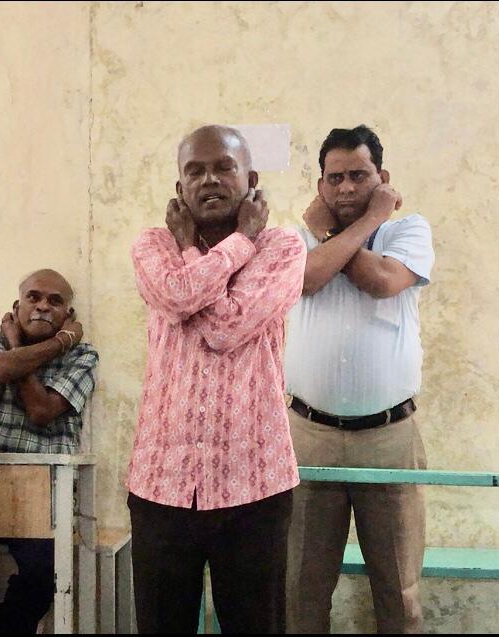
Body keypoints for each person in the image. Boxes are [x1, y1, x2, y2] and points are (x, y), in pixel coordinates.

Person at [127, 125, 306, 633]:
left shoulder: (282, 247)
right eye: (195, 171)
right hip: (162, 482)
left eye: (224, 167)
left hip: (254, 484)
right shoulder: (152, 245)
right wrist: (231, 246)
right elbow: (178, 295)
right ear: (179, 188)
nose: (209, 179)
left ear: (251, 180)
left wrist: (227, 245)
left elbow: (226, 327)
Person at [285, 125, 434, 633]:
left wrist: (366, 222)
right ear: (320, 185)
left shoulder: (407, 230)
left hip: (389, 438)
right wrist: (347, 228)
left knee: (399, 593)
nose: (346, 187)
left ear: (382, 178)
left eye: (359, 175)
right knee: (301, 591)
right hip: (309, 436)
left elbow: (382, 281)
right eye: (335, 178)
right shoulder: (294, 239)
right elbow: (308, 278)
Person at [0, 268, 99, 633]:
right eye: (34, 297)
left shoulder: (83, 356)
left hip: (44, 502)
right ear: (16, 307)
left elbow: (41, 411)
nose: (43, 306)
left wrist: (23, 346)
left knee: (44, 571)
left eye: (55, 301)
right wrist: (55, 342)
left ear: (68, 316)